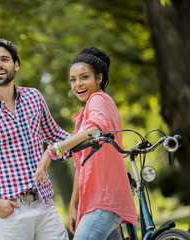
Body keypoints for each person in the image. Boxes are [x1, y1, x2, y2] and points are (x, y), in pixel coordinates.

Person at [0, 39, 71, 240]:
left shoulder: (34, 98)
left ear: (16, 64)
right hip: (11, 212)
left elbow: (56, 136)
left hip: (45, 205)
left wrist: (90, 134)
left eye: (4, 59)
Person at [35, 47, 137, 240]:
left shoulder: (98, 99)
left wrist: (52, 150)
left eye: (84, 77)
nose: (78, 84)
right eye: (73, 79)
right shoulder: (85, 113)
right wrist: (74, 206)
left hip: (105, 200)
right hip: (94, 201)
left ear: (99, 78)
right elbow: (81, 166)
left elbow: (94, 128)